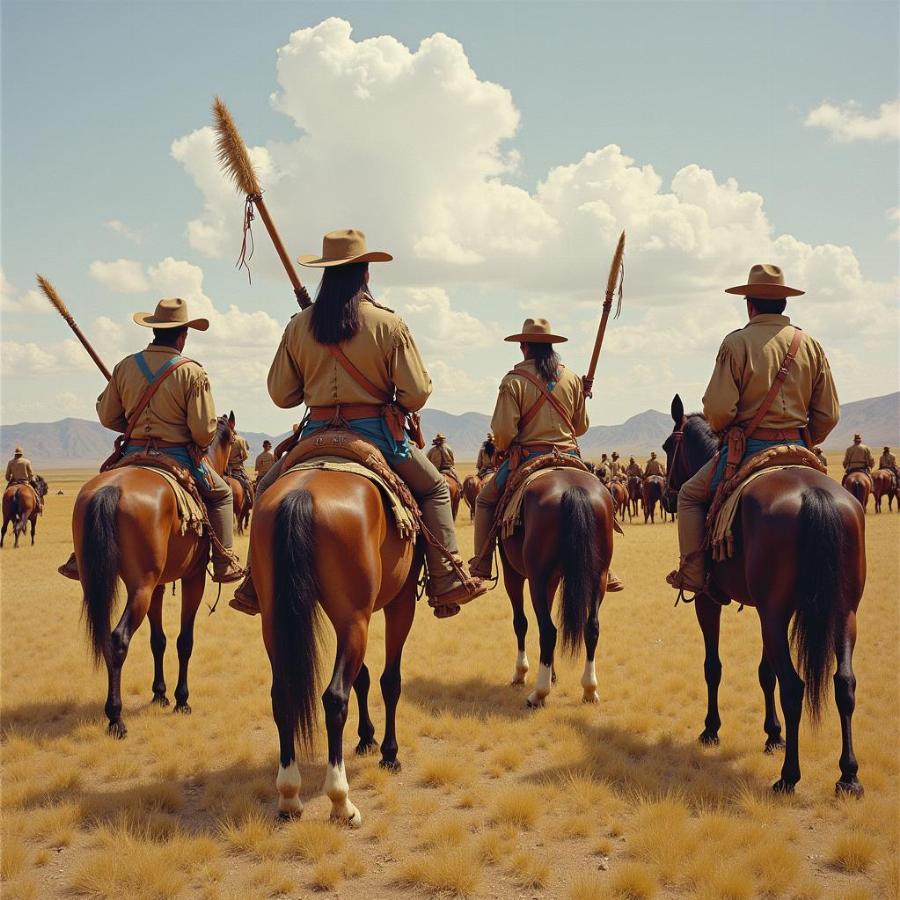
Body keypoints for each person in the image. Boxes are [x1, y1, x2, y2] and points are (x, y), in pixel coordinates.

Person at [230, 229, 486, 616]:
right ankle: (446, 578)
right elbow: (416, 393)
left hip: (313, 437)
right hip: (376, 436)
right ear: (366, 273)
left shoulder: (299, 326)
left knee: (266, 490)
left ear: (325, 274)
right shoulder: (388, 324)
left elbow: (283, 396)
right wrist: (393, 401)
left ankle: (253, 581)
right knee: (434, 488)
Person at [667, 264, 839, 603]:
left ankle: (694, 573)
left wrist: (726, 432)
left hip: (749, 449)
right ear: (784, 304)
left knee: (688, 495)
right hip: (800, 448)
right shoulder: (812, 345)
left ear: (749, 305)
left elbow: (718, 411)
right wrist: (803, 439)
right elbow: (828, 414)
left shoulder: (736, 344)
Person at [57, 298, 244, 583]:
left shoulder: (125, 366)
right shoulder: (192, 372)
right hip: (178, 456)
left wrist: (132, 426)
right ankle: (224, 561)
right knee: (222, 494)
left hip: (130, 454)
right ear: (183, 336)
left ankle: (79, 557)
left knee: (98, 491)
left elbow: (108, 417)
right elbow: (204, 433)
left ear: (154, 330)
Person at [468, 317, 622, 591]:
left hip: (528, 459)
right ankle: (605, 568)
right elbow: (580, 427)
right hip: (570, 458)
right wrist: (580, 396)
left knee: (484, 500)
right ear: (551, 347)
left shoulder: (513, 381)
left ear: (523, 346)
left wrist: (505, 447)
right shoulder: (572, 378)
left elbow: (503, 432)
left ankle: (481, 565)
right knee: (601, 498)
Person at [5, 447, 43, 512]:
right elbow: (31, 474)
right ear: (21, 454)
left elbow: (7, 476)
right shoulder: (27, 462)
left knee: (6, 493)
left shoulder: (10, 462)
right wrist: (30, 479)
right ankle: (39, 505)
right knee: (36, 493)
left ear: (15, 454)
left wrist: (10, 479)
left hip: (13, 482)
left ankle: (4, 507)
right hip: (25, 482)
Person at [226, 429, 252, 494]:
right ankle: (251, 500)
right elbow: (246, 456)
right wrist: (240, 460)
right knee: (248, 484)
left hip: (225, 468)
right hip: (237, 468)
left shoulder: (223, 439)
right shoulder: (240, 439)